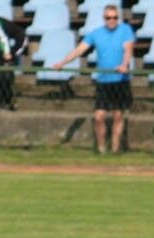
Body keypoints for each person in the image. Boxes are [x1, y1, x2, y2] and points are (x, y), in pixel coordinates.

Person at [51, 5, 135, 154]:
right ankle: (102, 149)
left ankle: (115, 149)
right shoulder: (96, 33)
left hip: (120, 80)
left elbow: (128, 49)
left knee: (118, 115)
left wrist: (124, 64)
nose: (112, 20)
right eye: (108, 18)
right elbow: (80, 49)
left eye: (115, 17)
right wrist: (63, 62)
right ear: (104, 18)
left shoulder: (125, 30)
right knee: (99, 117)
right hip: (103, 81)